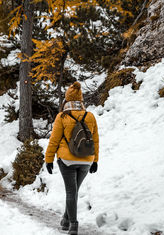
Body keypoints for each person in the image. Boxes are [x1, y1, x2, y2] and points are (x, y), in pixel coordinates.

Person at [45, 81, 99, 235]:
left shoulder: (62, 116)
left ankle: (73, 225)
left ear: (67, 99)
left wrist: (48, 159)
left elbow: (54, 140)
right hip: (87, 160)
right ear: (81, 99)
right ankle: (65, 220)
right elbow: (95, 140)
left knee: (71, 192)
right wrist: (95, 160)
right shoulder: (90, 116)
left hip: (67, 161)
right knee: (74, 191)